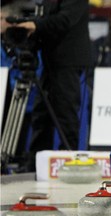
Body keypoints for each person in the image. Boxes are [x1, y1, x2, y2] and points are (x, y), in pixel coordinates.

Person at [16, 0, 92, 171]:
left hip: (68, 61)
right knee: (41, 113)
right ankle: (35, 163)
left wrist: (35, 24)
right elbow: (48, 20)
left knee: (65, 112)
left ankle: (69, 161)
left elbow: (64, 20)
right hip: (49, 60)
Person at [1, 3, 43, 171]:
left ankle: (19, 159)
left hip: (24, 95)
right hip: (4, 95)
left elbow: (37, 66)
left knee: (25, 129)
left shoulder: (27, 41)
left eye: (1, 19)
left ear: (13, 21)